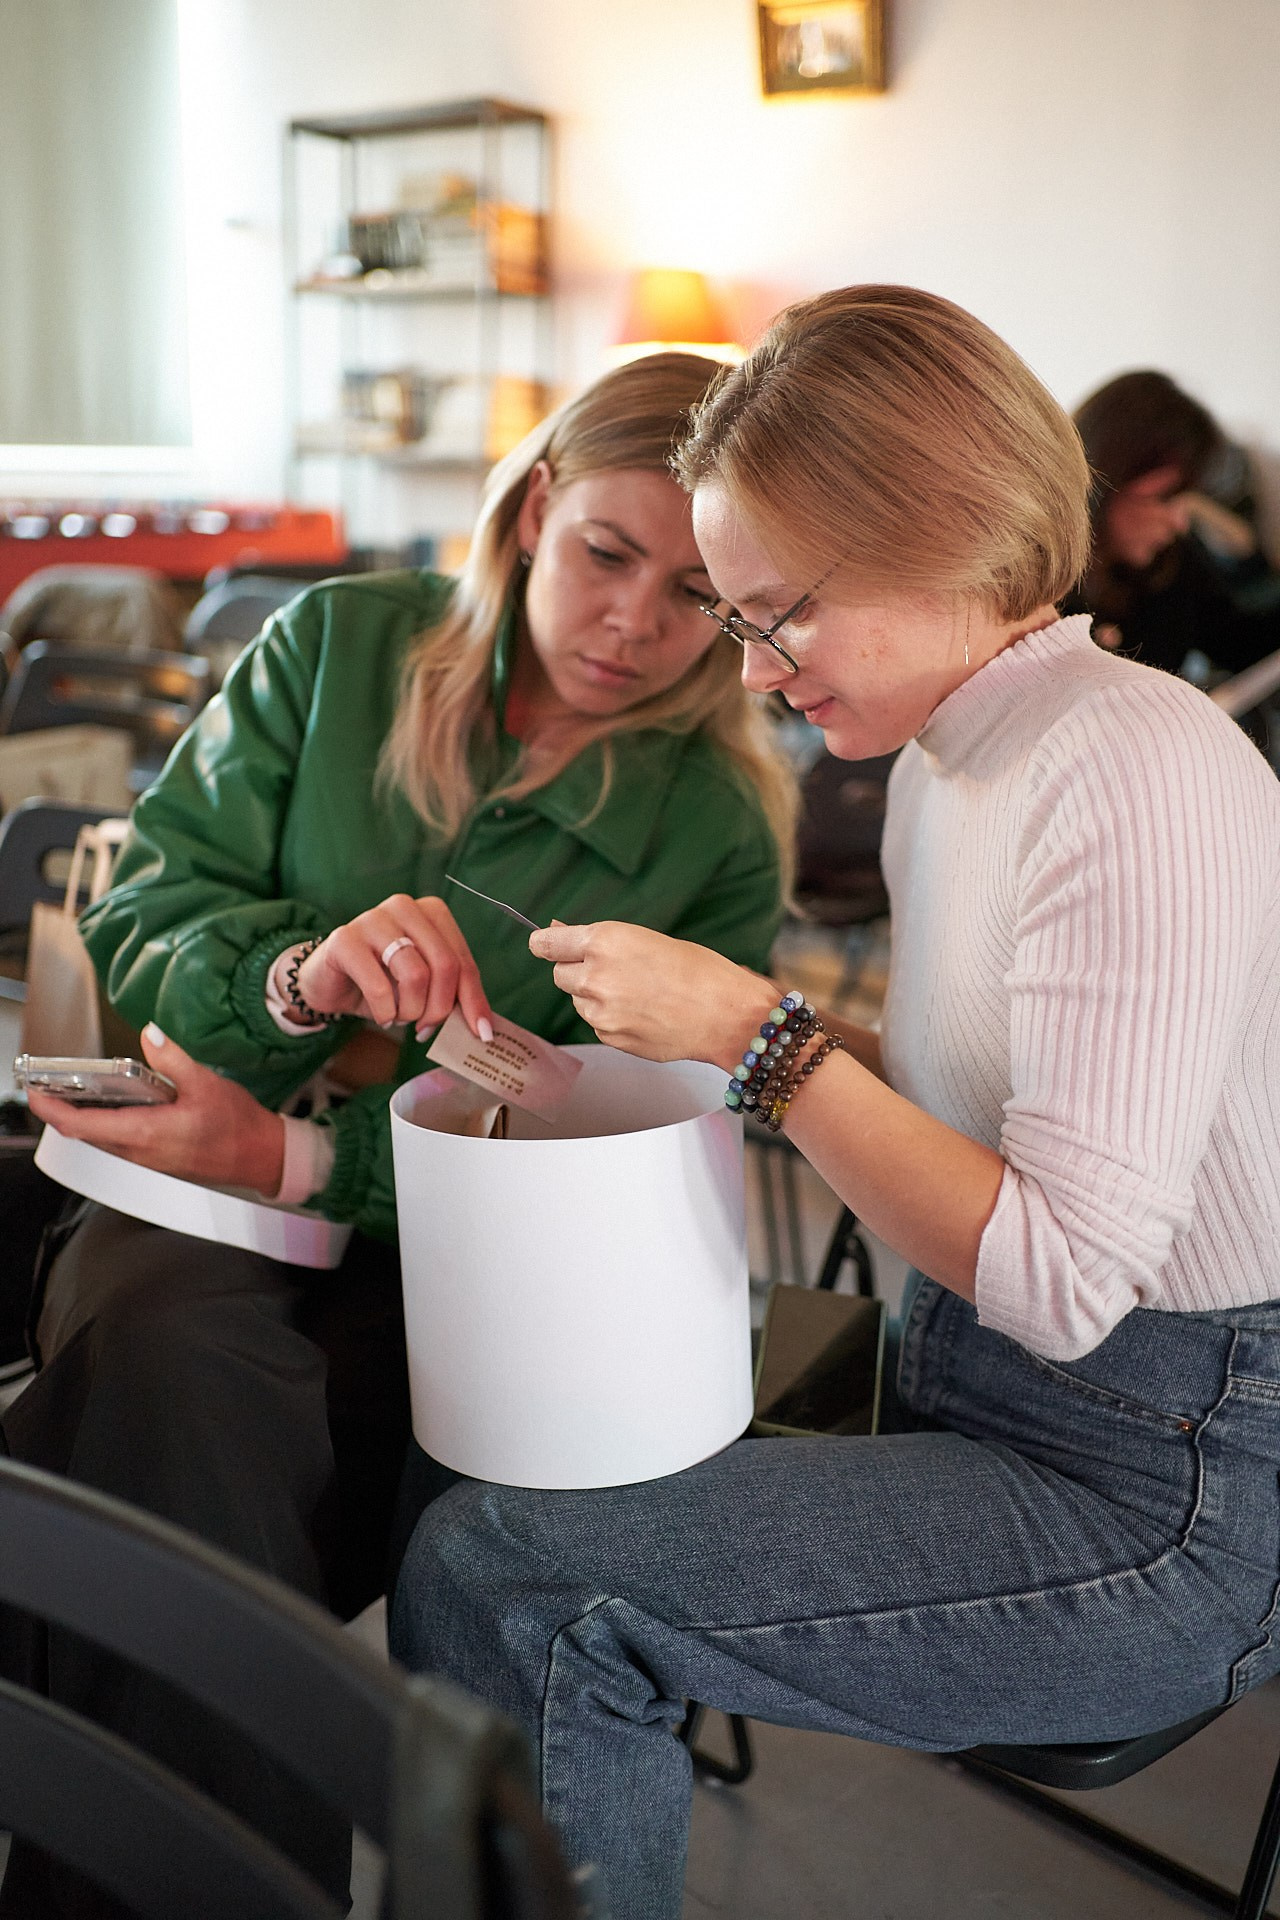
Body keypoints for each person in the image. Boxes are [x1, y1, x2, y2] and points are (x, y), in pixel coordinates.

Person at [390, 287, 1280, 1920]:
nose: (754, 667)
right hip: (991, 1384)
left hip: (1165, 1493)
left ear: (943, 531)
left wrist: (761, 1039)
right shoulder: (960, 753)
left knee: (507, 1574)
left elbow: (1071, 1286)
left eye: (773, 613)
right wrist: (726, 1045)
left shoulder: (1138, 767)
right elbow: (982, 1113)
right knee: (499, 1453)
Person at [0, 350, 794, 1918]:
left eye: (698, 592)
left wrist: (300, 1161)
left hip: (460, 1263)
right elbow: (148, 920)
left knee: (169, 1429)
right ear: (535, 510)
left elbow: (599, 1172)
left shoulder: (714, 830)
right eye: (606, 556)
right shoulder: (338, 645)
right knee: (179, 1369)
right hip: (190, 1180)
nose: (634, 624)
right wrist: (296, 977)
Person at [1068, 368, 1280, 675]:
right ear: (1107, 478)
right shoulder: (1037, 594)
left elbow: (1241, 644)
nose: (1180, 523)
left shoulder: (1172, 562)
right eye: (1165, 498)